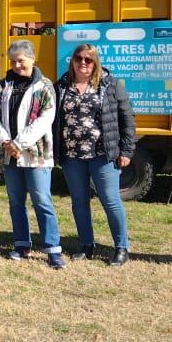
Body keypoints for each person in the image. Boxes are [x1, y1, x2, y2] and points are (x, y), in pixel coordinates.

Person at [54, 44, 135, 267]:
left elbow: (127, 117)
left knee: (110, 200)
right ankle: (86, 245)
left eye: (88, 60)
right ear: (72, 61)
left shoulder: (110, 84)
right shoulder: (61, 86)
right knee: (79, 202)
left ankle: (121, 247)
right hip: (72, 155)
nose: (83, 63)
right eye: (78, 58)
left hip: (103, 154)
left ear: (95, 62)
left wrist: (127, 151)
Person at [0, 40, 63, 268]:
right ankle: (21, 244)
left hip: (35, 154)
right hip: (9, 154)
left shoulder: (45, 86)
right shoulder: (2, 86)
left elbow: (45, 118)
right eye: (13, 61)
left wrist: (19, 143)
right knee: (16, 201)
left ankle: (52, 248)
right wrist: (5, 141)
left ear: (32, 59)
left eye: (21, 60)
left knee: (42, 200)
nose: (17, 65)